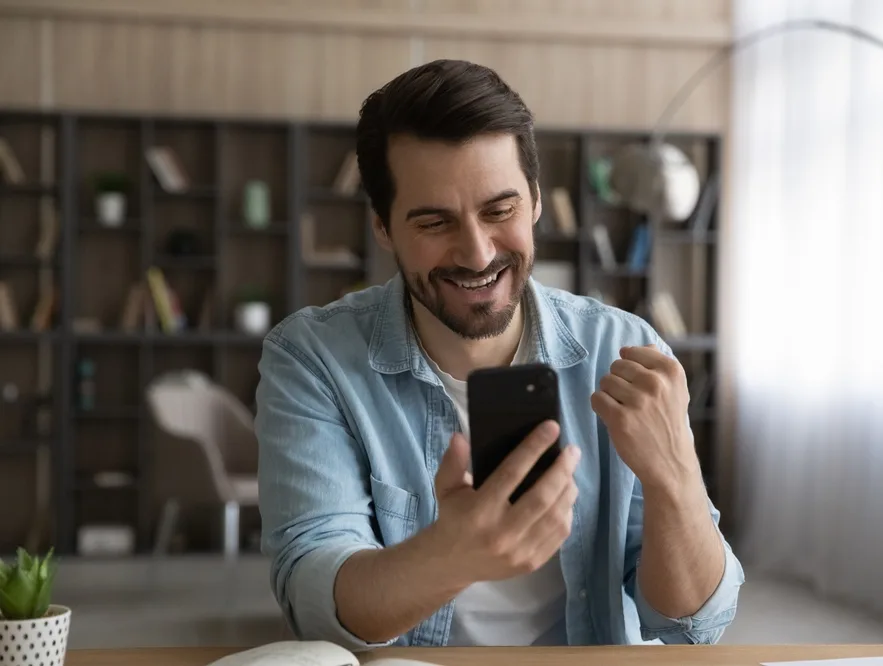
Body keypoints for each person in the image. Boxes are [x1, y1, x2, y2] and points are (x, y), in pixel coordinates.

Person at [254, 58, 744, 651]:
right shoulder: (313, 359)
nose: (478, 253)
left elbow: (692, 626)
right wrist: (451, 556)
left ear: (536, 201)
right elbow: (313, 599)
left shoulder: (624, 350)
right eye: (434, 221)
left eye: (499, 210)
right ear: (383, 228)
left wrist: (677, 479)